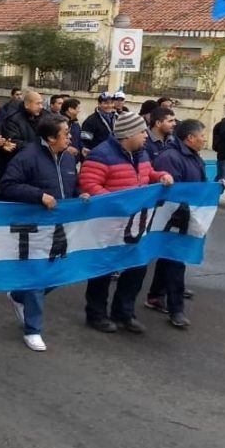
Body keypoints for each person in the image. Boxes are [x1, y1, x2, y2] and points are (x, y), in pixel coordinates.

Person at [79, 111, 173, 333]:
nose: (146, 136)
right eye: (142, 131)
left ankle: (124, 313)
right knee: (103, 270)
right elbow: (89, 184)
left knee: (136, 268)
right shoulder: (101, 155)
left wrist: (160, 176)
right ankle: (96, 314)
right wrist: (117, 203)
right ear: (128, 134)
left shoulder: (141, 154)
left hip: (136, 224)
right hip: (108, 225)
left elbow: (147, 174)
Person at [0, 115, 84, 351]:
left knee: (61, 273)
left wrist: (81, 194)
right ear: (50, 137)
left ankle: (18, 295)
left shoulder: (68, 159)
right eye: (65, 133)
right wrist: (39, 196)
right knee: (38, 275)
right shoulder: (27, 157)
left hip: (62, 227)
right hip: (35, 229)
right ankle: (32, 329)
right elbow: (8, 185)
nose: (70, 136)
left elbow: (72, 185)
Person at [149, 119, 210, 328]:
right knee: (176, 262)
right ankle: (176, 309)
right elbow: (172, 193)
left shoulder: (194, 157)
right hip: (173, 219)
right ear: (190, 138)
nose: (205, 139)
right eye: (202, 135)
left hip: (187, 216)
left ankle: (155, 295)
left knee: (169, 259)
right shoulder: (170, 158)